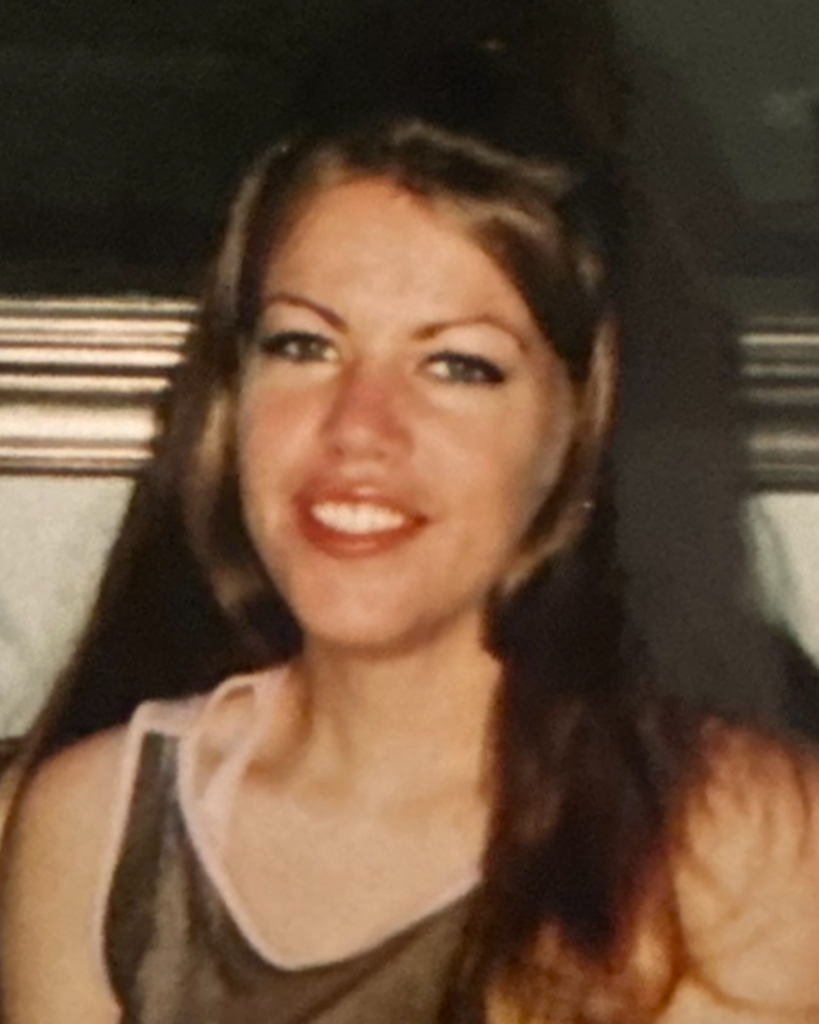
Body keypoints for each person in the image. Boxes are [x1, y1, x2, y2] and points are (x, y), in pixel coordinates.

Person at [2, 1, 819, 1021]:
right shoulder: (94, 829)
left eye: (457, 365)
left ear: (579, 427)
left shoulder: (734, 849)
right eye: (304, 345)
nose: (358, 427)